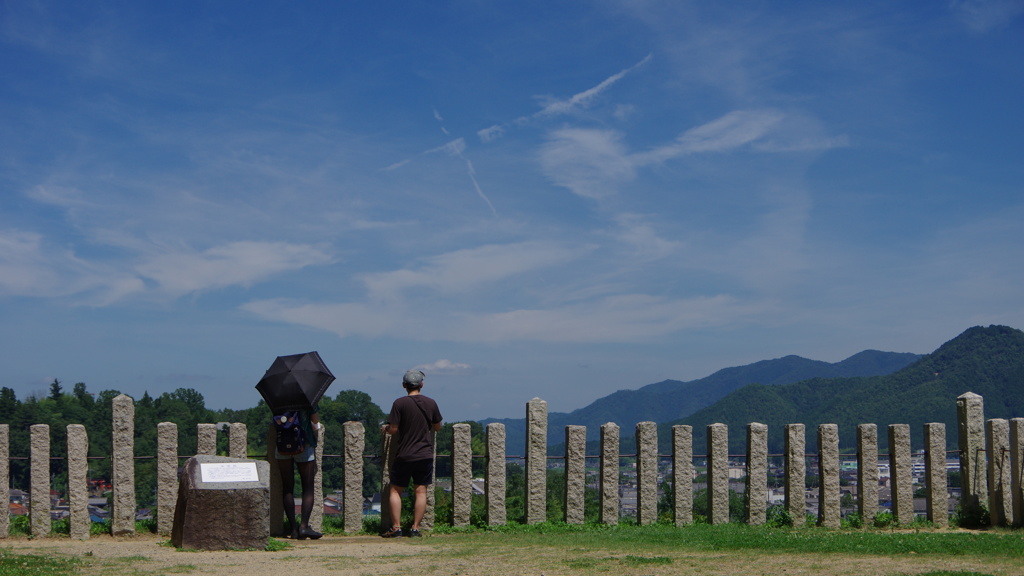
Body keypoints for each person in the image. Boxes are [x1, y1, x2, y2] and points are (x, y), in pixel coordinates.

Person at [380, 369, 443, 538]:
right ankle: (415, 528)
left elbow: (393, 430)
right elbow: (437, 427)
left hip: (405, 454)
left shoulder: (399, 403)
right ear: (422, 384)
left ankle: (396, 527)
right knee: (421, 491)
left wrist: (386, 429)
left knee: (395, 490)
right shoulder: (431, 403)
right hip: (425, 453)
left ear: (404, 386)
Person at [275, 406, 323, 540]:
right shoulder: (306, 396)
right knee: (307, 487)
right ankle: (304, 526)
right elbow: (315, 421)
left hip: (282, 444)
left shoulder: (277, 396)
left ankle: (293, 528)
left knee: (287, 488)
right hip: (303, 443)